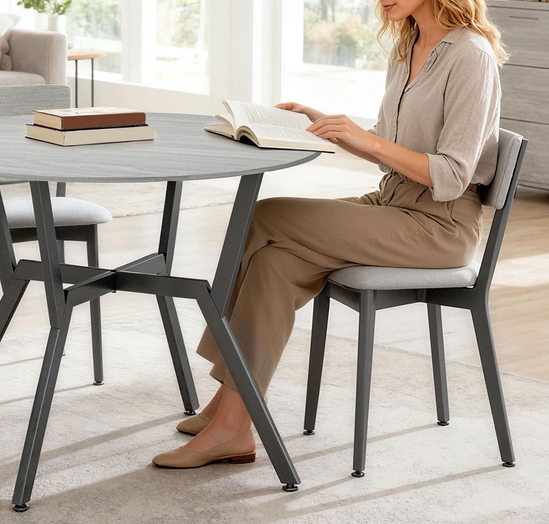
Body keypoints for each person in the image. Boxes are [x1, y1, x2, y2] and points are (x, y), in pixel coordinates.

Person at [152, 0, 508, 468]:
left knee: (266, 216)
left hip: (439, 225)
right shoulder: (409, 44)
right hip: (391, 203)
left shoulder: (470, 56)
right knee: (273, 262)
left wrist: (368, 140)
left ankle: (231, 400)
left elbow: (453, 174)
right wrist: (329, 128)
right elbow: (391, 150)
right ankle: (233, 419)